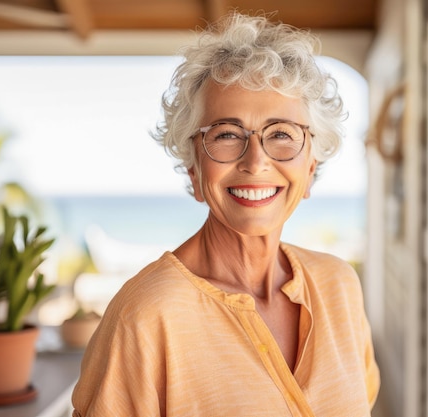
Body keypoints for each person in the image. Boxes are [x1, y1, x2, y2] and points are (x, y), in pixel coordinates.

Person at [71, 11, 379, 417]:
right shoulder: (146, 315)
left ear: (310, 167)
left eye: (282, 134)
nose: (256, 161)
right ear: (194, 167)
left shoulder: (339, 286)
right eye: (227, 135)